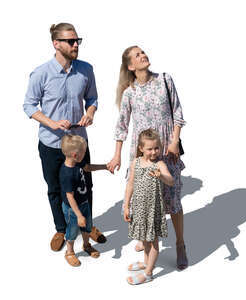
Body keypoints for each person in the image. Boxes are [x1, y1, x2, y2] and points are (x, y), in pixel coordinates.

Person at [23, 23, 106, 252]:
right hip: (51, 143)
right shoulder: (41, 73)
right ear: (56, 44)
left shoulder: (86, 70)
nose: (76, 44)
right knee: (55, 189)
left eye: (78, 40)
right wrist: (52, 123)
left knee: (86, 185)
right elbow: (29, 106)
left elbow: (93, 99)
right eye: (71, 41)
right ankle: (61, 229)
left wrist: (90, 112)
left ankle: (87, 227)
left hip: (79, 142)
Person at [108, 46, 188, 269]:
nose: (143, 55)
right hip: (142, 152)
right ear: (131, 66)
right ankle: (147, 239)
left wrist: (174, 141)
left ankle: (180, 244)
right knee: (144, 199)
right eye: (137, 55)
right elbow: (122, 125)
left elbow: (178, 113)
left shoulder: (164, 80)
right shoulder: (129, 93)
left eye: (143, 52)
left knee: (172, 200)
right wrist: (117, 156)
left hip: (166, 149)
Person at [124, 129, 174, 284]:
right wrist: (126, 205)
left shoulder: (159, 164)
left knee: (153, 241)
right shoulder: (136, 162)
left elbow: (170, 181)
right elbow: (130, 184)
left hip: (153, 210)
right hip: (139, 208)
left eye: (156, 148)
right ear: (141, 148)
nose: (154, 152)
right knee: (144, 238)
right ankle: (146, 263)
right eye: (150, 149)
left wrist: (162, 175)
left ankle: (148, 273)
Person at [60, 135, 108, 266]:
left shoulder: (77, 163)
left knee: (87, 226)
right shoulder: (67, 174)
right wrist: (78, 215)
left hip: (84, 203)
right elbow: (69, 196)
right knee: (72, 230)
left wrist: (105, 166)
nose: (85, 154)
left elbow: (87, 167)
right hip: (73, 209)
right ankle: (69, 252)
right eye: (84, 152)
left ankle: (86, 245)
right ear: (75, 155)